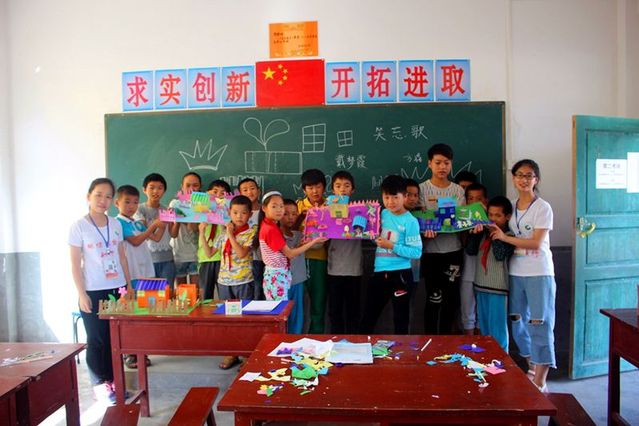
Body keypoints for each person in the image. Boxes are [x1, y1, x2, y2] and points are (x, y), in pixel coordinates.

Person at [487, 159, 556, 392]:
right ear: (513, 178)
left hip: (539, 273)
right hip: (516, 272)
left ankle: (541, 380)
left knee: (540, 323)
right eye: (519, 175)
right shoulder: (511, 206)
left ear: (536, 179)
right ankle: (531, 367)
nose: (523, 179)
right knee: (518, 322)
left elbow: (536, 243)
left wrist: (505, 238)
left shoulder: (543, 207)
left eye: (529, 175)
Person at [69, 178, 131, 405]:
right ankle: (100, 385)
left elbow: (121, 256)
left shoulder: (115, 224)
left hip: (117, 288)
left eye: (107, 196)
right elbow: (75, 264)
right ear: (88, 196)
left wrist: (129, 286)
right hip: (93, 290)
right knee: (96, 339)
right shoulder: (79, 226)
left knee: (113, 338)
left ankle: (114, 381)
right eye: (98, 195)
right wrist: (81, 293)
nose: (102, 200)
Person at [360, 175, 422, 334]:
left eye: (395, 197)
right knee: (369, 315)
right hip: (380, 271)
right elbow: (376, 238)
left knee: (401, 318)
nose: (390, 202)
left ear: (405, 197)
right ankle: (362, 347)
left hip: (401, 274)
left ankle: (402, 349)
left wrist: (391, 246)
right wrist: (372, 237)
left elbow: (416, 252)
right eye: (386, 197)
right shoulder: (382, 214)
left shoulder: (410, 221)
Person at [419, 143, 466, 334]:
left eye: (446, 163)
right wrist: (426, 229)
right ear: (429, 163)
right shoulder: (421, 190)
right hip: (430, 252)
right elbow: (418, 219)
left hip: (453, 252)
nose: (442, 167)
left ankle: (447, 341)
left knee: (451, 300)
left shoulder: (457, 191)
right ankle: (430, 340)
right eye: (438, 162)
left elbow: (461, 220)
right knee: (433, 298)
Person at [115, 184, 159, 369]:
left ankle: (142, 351)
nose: (131, 206)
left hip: (146, 274)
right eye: (127, 202)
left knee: (145, 314)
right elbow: (135, 241)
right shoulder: (118, 223)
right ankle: (131, 354)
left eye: (135, 202)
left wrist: (162, 223)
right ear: (117, 203)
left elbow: (156, 238)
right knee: (131, 314)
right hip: (131, 275)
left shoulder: (137, 222)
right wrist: (153, 226)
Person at [257, 191, 326, 304]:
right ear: (264, 208)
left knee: (281, 308)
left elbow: (284, 253)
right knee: (280, 310)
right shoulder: (270, 229)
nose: (279, 210)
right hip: (277, 276)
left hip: (277, 274)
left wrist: (302, 244)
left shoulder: (269, 225)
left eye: (281, 206)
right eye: (274, 206)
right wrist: (314, 241)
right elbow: (290, 254)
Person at [213, 194, 257, 370]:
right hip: (224, 281)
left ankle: (246, 354)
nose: (239, 216)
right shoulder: (223, 232)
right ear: (229, 213)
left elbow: (241, 253)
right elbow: (209, 252)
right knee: (228, 319)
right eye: (235, 212)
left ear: (250, 214)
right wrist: (201, 232)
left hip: (243, 281)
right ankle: (231, 353)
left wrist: (230, 234)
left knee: (244, 319)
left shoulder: (251, 232)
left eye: (243, 213)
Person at [466, 195, 513, 352]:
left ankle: (501, 360)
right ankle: (487, 359)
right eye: (490, 215)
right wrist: (474, 234)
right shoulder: (483, 234)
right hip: (480, 286)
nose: (493, 219)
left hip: (498, 289)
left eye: (498, 215)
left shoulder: (509, 235)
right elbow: (470, 251)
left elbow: (500, 255)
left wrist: (497, 236)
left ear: (507, 217)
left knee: (498, 329)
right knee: (484, 328)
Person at [326, 171, 363, 334]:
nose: (342, 189)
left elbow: (371, 232)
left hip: (354, 268)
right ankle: (336, 340)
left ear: (352, 190)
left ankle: (353, 341)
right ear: (333, 190)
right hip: (334, 268)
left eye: (347, 186)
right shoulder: (326, 211)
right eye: (338, 186)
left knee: (353, 310)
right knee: (335, 310)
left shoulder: (361, 211)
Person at [296, 169, 329, 333]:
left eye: (318, 186)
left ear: (324, 187)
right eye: (310, 188)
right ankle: (295, 337)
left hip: (320, 259)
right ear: (304, 189)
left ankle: (317, 339)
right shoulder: (298, 207)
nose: (314, 191)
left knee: (318, 302)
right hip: (298, 260)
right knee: (297, 303)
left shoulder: (331, 206)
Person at [134, 173, 175, 286]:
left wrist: (177, 221)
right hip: (146, 260)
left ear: (164, 191)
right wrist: (158, 223)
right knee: (148, 294)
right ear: (144, 190)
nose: (156, 191)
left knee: (167, 294)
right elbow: (144, 233)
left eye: (160, 188)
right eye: (152, 188)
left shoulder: (167, 210)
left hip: (167, 259)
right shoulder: (138, 209)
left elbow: (173, 233)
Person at [460, 182, 487, 335]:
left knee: (483, 313)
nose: (475, 203)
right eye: (471, 199)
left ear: (486, 201)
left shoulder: (492, 218)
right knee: (467, 310)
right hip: (467, 272)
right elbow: (465, 245)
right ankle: (468, 342)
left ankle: (481, 343)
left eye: (479, 199)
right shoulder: (461, 219)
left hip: (486, 275)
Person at [197, 180, 231, 300]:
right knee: (205, 294)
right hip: (205, 257)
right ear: (207, 193)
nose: (218, 195)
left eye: (222, 193)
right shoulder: (201, 211)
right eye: (215, 192)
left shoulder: (229, 212)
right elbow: (192, 227)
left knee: (224, 293)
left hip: (223, 258)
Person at [169, 172, 201, 286]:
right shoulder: (175, 203)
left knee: (195, 290)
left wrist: (186, 215)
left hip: (196, 254)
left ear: (200, 187)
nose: (191, 189)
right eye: (187, 185)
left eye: (195, 185)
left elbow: (193, 228)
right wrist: (181, 218)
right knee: (181, 290)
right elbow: (173, 233)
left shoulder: (202, 205)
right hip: (178, 254)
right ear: (182, 187)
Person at [280, 199, 307, 334]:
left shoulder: (300, 235)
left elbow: (318, 244)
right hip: (280, 282)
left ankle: (295, 339)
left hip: (297, 281)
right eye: (286, 214)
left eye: (294, 214)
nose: (290, 217)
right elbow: (289, 253)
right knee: (281, 314)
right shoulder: (276, 234)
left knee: (297, 314)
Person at [239, 177, 265, 300]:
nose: (249, 192)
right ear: (240, 194)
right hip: (244, 260)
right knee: (248, 293)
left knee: (260, 290)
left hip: (262, 258)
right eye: (245, 190)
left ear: (259, 191)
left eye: (252, 188)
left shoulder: (265, 210)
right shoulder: (237, 213)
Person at [404, 178, 422, 289]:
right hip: (395, 268)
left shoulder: (419, 216)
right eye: (408, 195)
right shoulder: (388, 215)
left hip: (413, 269)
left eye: (415, 195)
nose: (412, 199)